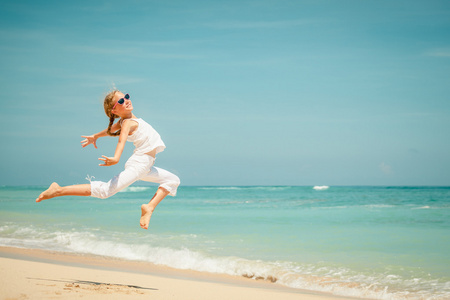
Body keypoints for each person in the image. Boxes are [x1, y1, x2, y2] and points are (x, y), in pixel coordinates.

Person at [36, 90, 180, 229]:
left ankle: (149, 207)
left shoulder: (128, 121)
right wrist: (116, 158)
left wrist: (95, 136)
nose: (127, 101)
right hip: (139, 164)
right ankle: (59, 190)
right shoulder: (128, 123)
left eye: (127, 97)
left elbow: (110, 131)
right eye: (121, 101)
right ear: (114, 111)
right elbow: (121, 141)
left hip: (145, 165)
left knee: (173, 180)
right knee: (105, 191)